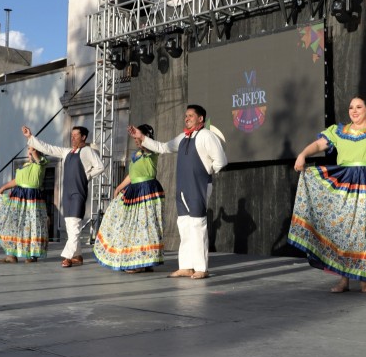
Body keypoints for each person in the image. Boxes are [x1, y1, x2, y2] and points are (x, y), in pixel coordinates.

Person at [287, 92, 366, 293]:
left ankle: (364, 280)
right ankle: (344, 280)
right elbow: (319, 144)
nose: (354, 110)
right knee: (345, 233)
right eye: (351, 107)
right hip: (345, 184)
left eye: (359, 107)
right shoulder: (339, 131)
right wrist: (303, 154)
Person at [128, 104, 228, 280]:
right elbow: (162, 147)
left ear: (200, 118)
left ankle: (201, 268)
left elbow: (221, 161)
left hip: (198, 185)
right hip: (182, 187)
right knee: (184, 225)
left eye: (190, 116)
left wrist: (206, 171)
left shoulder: (207, 136)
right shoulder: (183, 137)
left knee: (197, 225)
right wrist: (142, 137)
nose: (186, 118)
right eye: (186, 116)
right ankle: (186, 267)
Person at [22, 125, 104, 267]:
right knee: (70, 225)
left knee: (75, 224)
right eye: (71, 135)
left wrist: (87, 176)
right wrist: (30, 137)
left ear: (83, 137)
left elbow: (100, 166)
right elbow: (48, 148)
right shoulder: (67, 152)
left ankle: (67, 256)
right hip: (66, 193)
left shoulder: (87, 151)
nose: (72, 138)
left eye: (76, 135)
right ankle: (78, 256)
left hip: (78, 192)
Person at [93, 124, 165, 274]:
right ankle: (140, 260)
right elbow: (132, 175)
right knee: (131, 224)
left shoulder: (152, 151)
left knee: (146, 225)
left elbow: (148, 148)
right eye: (135, 138)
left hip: (147, 190)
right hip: (134, 190)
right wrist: (119, 187)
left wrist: (142, 138)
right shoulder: (136, 155)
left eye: (138, 137)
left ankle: (143, 262)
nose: (136, 140)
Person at [0, 145, 49, 264]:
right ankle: (11, 255)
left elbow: (38, 159)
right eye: (29, 149)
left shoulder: (41, 163)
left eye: (33, 149)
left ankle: (31, 255)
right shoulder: (25, 165)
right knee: (13, 224)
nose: (30, 151)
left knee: (31, 225)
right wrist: (2, 188)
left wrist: (34, 149)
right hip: (18, 196)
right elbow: (17, 180)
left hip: (31, 197)